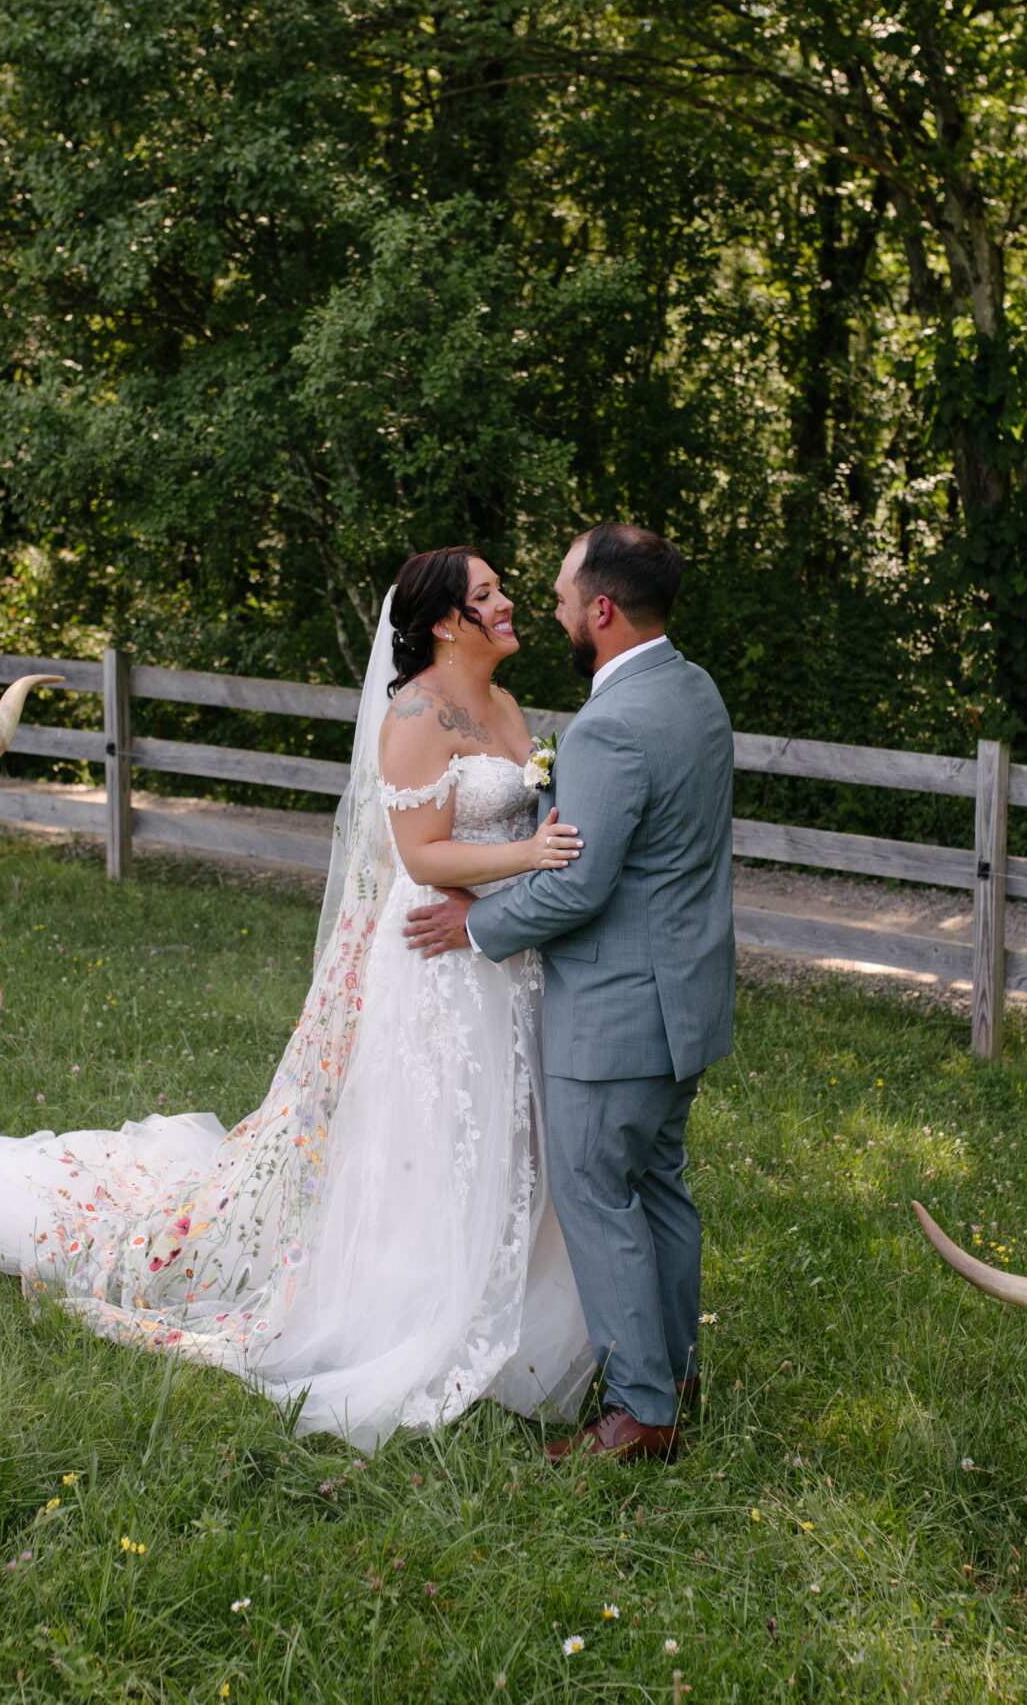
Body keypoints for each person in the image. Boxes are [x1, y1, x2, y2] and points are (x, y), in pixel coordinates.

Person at [0, 548, 595, 1451]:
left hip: (503, 955)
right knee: (440, 1135)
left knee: (513, 1132)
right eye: (486, 594)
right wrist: (528, 857)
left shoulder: (511, 709)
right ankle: (422, 1304)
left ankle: (514, 1310)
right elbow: (421, 857)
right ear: (444, 621)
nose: (507, 601)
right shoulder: (413, 713)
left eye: (501, 590)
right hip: (437, 960)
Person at [403, 522, 736, 1463]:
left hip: (619, 1010)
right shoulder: (695, 691)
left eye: (558, 593)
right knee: (658, 1184)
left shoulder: (614, 723)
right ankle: (673, 1376)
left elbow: (582, 882)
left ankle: (638, 1415)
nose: (547, 607)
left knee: (597, 1190)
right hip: (685, 1000)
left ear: (602, 609)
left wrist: (474, 925)